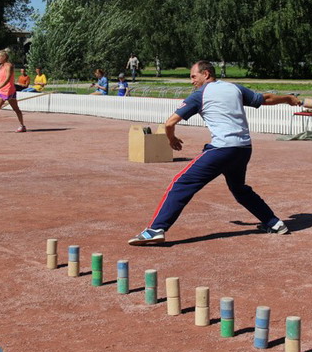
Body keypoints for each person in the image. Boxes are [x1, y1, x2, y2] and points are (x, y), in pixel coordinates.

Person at [128, 60, 301, 246]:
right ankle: (274, 223)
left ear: (206, 74)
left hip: (222, 149)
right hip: (243, 148)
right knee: (240, 189)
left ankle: (156, 229)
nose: (192, 81)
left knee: (181, 183)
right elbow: (264, 98)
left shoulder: (199, 95)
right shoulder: (234, 88)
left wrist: (171, 139)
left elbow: (170, 123)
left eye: (194, 76)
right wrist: (288, 99)